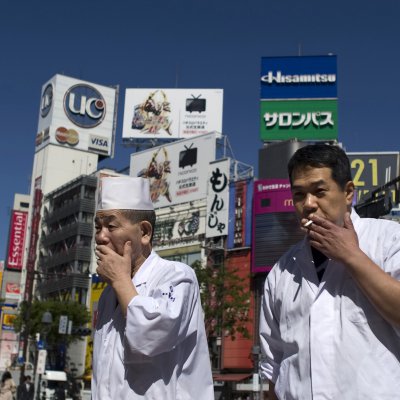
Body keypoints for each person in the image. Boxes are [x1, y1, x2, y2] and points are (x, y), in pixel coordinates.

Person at [259, 144, 400, 399]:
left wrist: (351, 256)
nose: (309, 204)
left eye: (319, 191)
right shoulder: (281, 271)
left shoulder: (388, 240)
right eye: (299, 194)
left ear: (348, 192)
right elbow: (274, 365)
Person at [92, 176, 214, 399]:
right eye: (98, 227)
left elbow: (153, 336)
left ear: (145, 232)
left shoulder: (176, 276)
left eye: (111, 226)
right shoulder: (108, 295)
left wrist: (120, 281)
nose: (101, 237)